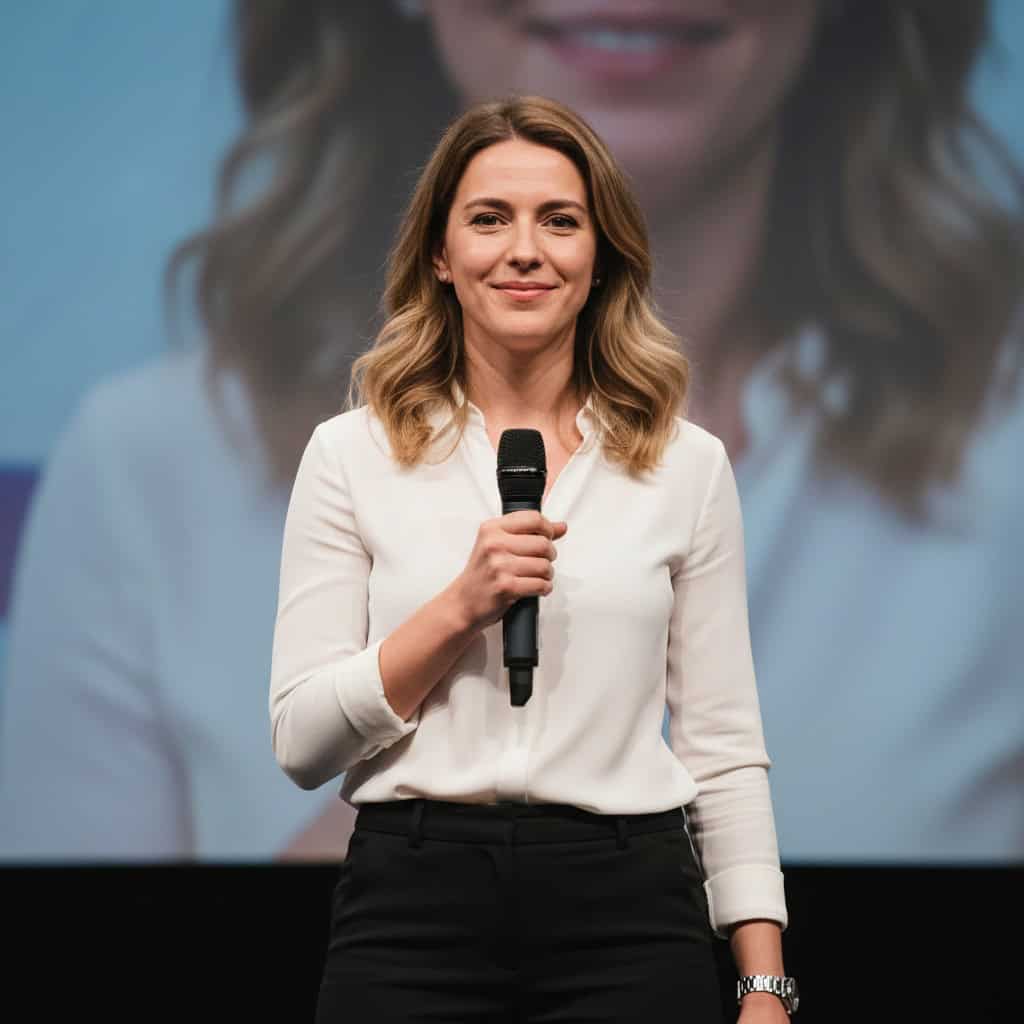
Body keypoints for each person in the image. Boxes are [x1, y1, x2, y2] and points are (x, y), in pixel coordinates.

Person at [1, 0, 1021, 864]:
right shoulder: (156, 462)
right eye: (493, 223)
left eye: (564, 227)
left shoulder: (979, 454)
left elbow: (729, 790)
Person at [271, 92, 796, 1024]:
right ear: (440, 255)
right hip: (412, 904)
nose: (525, 250)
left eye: (560, 221)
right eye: (488, 219)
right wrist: (457, 608)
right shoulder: (350, 454)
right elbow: (302, 742)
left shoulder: (686, 464)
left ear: (600, 260)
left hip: (629, 909)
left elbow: (723, 746)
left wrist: (763, 985)